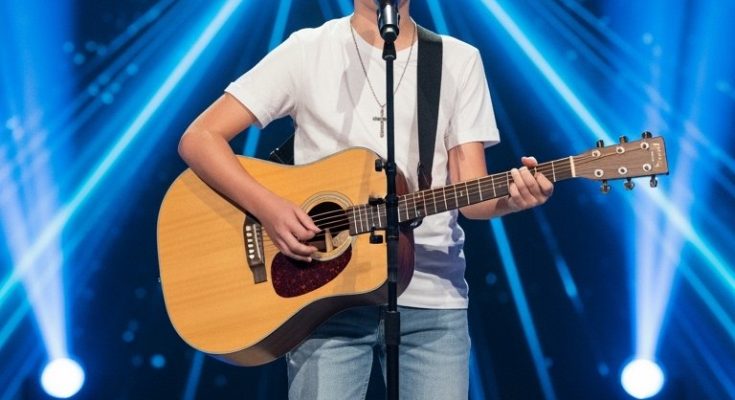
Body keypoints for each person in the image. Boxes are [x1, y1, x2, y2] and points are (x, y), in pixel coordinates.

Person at [178, 1, 553, 398]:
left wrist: (513, 199)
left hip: (432, 301)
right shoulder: (307, 50)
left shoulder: (457, 60)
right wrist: (268, 208)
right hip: (322, 297)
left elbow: (470, 195)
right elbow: (200, 138)